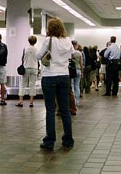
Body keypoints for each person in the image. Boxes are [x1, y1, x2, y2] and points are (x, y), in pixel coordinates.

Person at [37, 17, 74, 150]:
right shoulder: (68, 40)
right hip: (64, 76)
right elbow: (72, 55)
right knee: (65, 109)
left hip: (50, 76)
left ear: (50, 28)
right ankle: (68, 139)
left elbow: (38, 55)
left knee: (51, 109)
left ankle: (49, 141)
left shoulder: (49, 40)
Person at [17, 35, 38, 108]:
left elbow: (22, 58)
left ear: (28, 41)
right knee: (32, 85)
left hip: (26, 67)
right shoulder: (37, 49)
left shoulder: (25, 48)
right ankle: (31, 102)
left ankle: (20, 101)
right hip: (34, 68)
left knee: (23, 84)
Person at [69, 40, 83, 106]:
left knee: (72, 86)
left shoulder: (70, 53)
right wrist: (82, 71)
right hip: (78, 70)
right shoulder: (79, 53)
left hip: (71, 70)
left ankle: (73, 102)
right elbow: (81, 63)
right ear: (76, 45)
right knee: (77, 86)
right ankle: (77, 101)